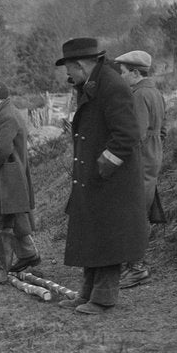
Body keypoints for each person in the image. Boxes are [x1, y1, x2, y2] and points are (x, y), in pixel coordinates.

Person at [55, 37, 146, 315]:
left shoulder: (111, 86)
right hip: (95, 178)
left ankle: (103, 298)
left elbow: (128, 134)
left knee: (107, 238)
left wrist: (105, 164)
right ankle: (87, 293)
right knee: (92, 235)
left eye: (68, 69)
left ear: (81, 65)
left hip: (112, 181)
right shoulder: (93, 84)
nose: (67, 76)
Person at [0, 81, 40, 287]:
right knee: (11, 221)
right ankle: (27, 255)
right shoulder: (6, 112)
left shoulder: (6, 116)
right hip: (9, 176)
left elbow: (1, 149)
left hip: (5, 177)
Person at [113, 50, 167, 288]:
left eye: (123, 72)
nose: (120, 77)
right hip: (153, 157)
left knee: (132, 214)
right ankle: (132, 264)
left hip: (139, 160)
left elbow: (136, 134)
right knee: (138, 211)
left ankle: (136, 268)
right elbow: (162, 131)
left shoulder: (138, 95)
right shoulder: (155, 93)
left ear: (135, 73)